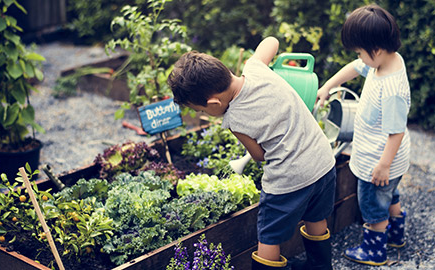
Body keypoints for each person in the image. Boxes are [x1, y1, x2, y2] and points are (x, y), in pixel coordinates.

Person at [168, 36, 336, 270]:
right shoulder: (255, 67)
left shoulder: (233, 119)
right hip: (323, 161)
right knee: (316, 217)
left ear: (214, 103)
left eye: (200, 109)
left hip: (289, 179)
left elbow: (259, 155)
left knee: (269, 235)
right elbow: (271, 41)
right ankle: (320, 267)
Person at [316, 4, 410, 266]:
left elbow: (396, 132)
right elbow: (356, 67)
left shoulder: (391, 88)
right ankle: (396, 234)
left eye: (360, 51)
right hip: (391, 162)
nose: (359, 57)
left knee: (372, 205)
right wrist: (328, 86)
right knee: (389, 195)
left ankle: (374, 251)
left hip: (378, 162)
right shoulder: (386, 61)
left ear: (376, 49)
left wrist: (383, 165)